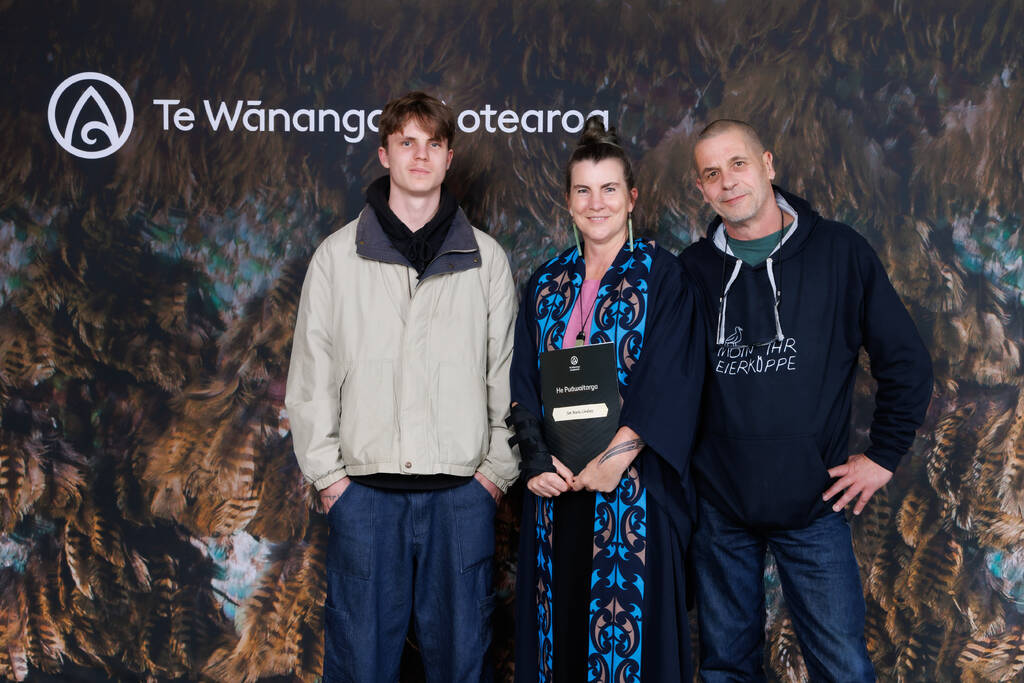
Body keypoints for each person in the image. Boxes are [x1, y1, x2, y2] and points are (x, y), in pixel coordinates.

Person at [680, 119, 933, 681]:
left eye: (738, 164)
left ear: (768, 164)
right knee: (724, 668)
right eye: (712, 174)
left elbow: (907, 362)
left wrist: (884, 456)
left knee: (843, 668)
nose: (728, 182)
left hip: (814, 505)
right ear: (701, 189)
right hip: (721, 508)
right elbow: (664, 383)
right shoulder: (691, 272)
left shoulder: (840, 253)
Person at [285, 91, 518, 683]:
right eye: (407, 143)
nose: (420, 156)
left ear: (448, 158)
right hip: (364, 497)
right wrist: (331, 480)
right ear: (384, 153)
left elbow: (507, 378)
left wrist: (494, 475)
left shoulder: (486, 261)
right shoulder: (336, 258)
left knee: (463, 662)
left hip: (460, 498)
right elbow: (309, 377)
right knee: (360, 665)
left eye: (433, 144)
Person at [509, 117, 705, 683]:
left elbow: (672, 379)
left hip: (632, 495)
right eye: (584, 190)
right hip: (557, 495)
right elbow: (523, 380)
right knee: (561, 641)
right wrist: (536, 463)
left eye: (610, 189)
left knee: (625, 646)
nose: (597, 203)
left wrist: (613, 460)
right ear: (568, 201)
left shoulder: (663, 277)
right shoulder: (546, 281)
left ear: (632, 198)